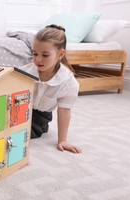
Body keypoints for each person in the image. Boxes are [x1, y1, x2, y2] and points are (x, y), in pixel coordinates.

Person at [21, 24, 82, 154]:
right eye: (35, 53)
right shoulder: (24, 72)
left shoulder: (68, 82)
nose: (38, 59)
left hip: (39, 119)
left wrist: (62, 140)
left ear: (60, 54)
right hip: (20, 111)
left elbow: (64, 110)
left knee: (18, 133)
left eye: (45, 55)